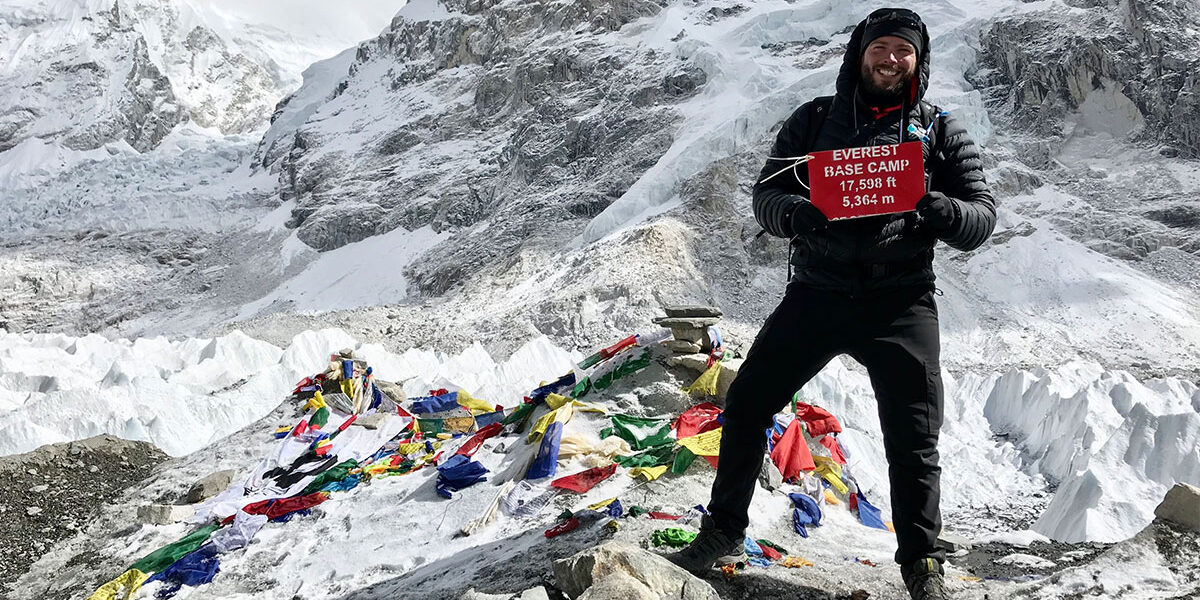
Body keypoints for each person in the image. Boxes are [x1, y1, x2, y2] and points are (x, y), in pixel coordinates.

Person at [666, 7, 996, 600]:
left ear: (919, 61)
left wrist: (940, 209)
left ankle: (922, 565)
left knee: (914, 438)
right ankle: (722, 533)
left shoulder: (942, 130)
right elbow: (766, 194)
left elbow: (982, 217)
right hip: (816, 293)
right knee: (746, 405)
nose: (891, 59)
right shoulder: (813, 120)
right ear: (860, 53)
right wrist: (794, 213)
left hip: (900, 301)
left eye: (904, 50)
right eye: (881, 48)